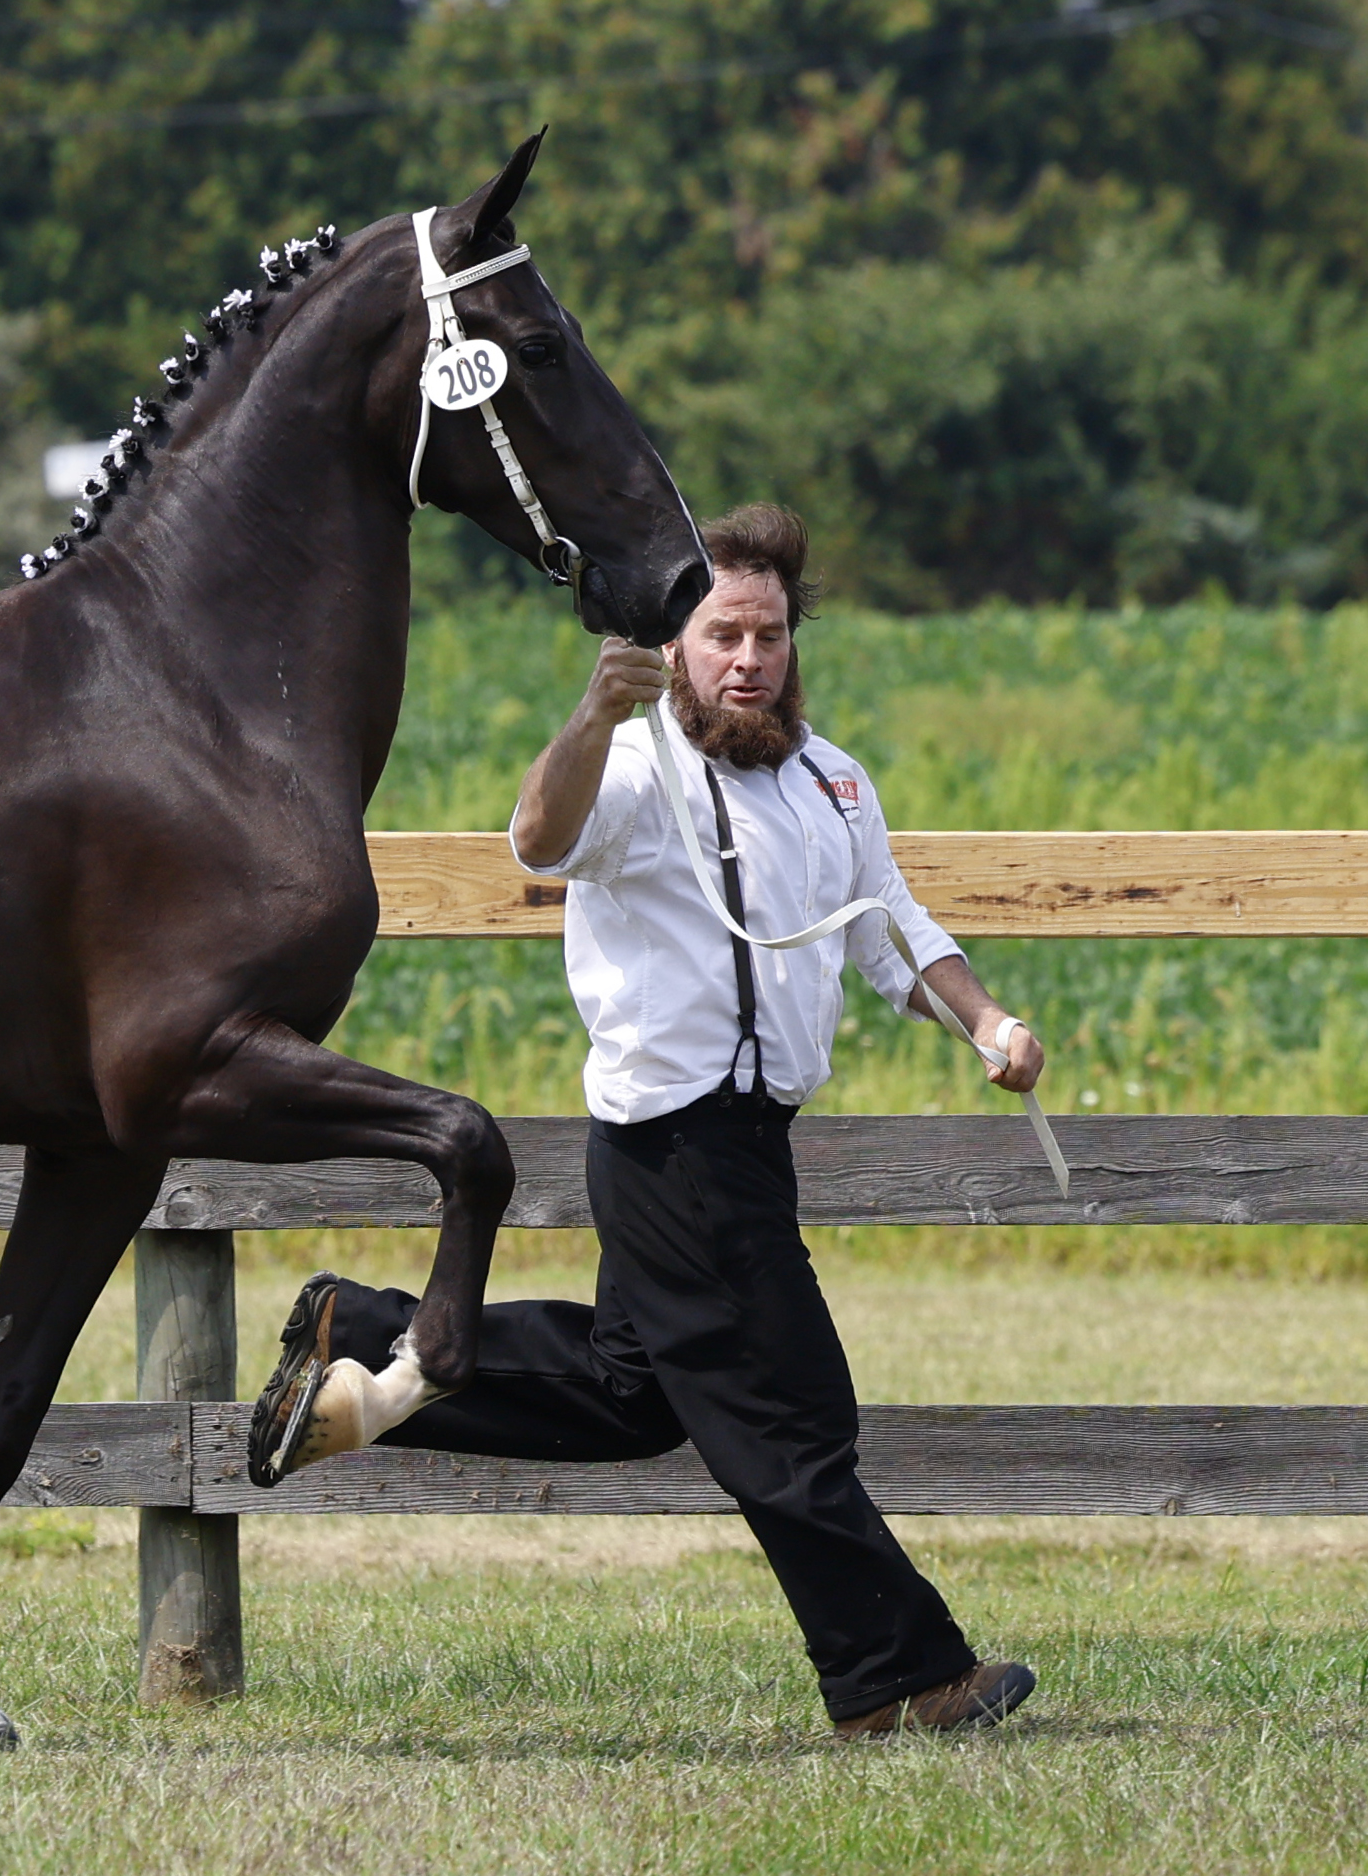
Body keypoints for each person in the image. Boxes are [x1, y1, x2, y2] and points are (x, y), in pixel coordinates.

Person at [246, 503, 1047, 1739]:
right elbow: (535, 839)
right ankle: (900, 1677)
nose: (747, 658)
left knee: (634, 1394)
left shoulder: (834, 781)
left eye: (767, 634)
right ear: (674, 642)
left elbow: (895, 929)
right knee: (794, 1415)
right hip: (671, 1146)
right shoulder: (630, 768)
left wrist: (989, 1023)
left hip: (750, 1146)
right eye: (722, 632)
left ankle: (372, 1333)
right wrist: (589, 715)